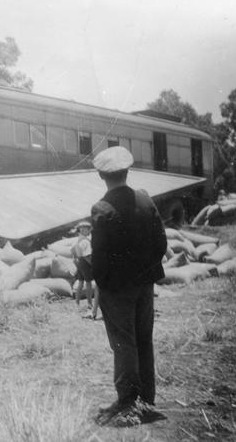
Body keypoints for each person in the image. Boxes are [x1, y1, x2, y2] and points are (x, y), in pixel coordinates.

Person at [90, 146, 167, 427]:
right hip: (144, 286)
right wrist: (144, 273)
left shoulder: (102, 208)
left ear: (101, 175)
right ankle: (146, 401)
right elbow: (161, 244)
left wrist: (104, 283)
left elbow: (99, 258)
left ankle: (126, 402)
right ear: (128, 171)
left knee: (124, 344)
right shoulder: (146, 201)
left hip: (117, 289)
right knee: (144, 340)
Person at [72, 220, 98, 319]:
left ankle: (77, 302)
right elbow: (87, 256)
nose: (87, 231)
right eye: (86, 230)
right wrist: (93, 264)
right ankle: (89, 303)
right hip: (86, 262)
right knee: (88, 283)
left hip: (79, 261)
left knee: (80, 282)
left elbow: (72, 251)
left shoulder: (77, 240)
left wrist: (76, 259)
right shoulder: (86, 242)